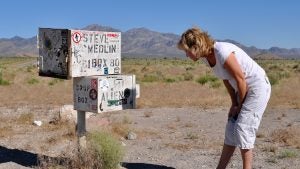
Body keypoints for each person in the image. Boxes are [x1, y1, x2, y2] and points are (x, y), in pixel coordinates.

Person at [177, 27, 271, 169]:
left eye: (187, 51)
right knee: (231, 129)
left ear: (195, 47)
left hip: (257, 88)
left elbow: (241, 80)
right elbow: (226, 79)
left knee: (243, 127)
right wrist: (234, 104)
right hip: (243, 89)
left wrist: (240, 105)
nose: (186, 55)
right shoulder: (207, 58)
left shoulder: (222, 51)